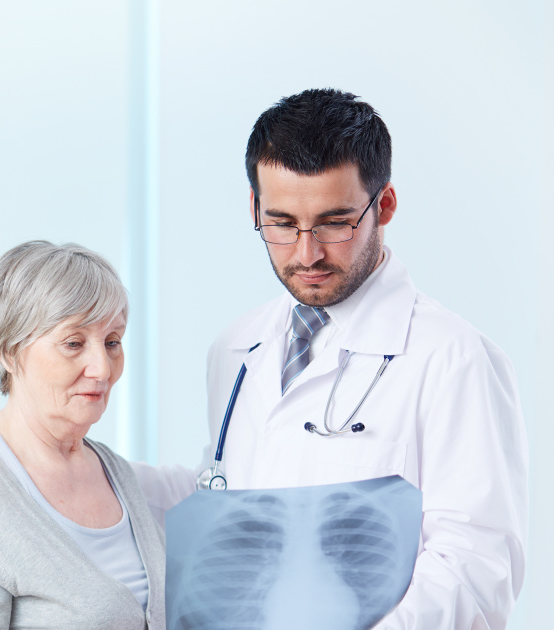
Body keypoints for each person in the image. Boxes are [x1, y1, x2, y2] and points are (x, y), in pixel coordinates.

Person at [162, 88, 527, 629]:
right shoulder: (235, 349)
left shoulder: (453, 358)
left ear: (384, 206)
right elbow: (222, 498)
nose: (306, 253)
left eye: (334, 222)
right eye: (282, 223)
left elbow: (476, 569)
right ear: (254, 208)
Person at [0, 241, 166, 629]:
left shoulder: (117, 472)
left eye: (112, 342)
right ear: (9, 352)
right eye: (74, 343)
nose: (102, 368)